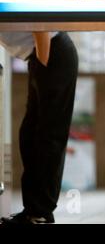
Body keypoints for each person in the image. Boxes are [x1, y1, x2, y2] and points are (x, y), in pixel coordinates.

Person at [0, 31, 78, 224]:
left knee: (48, 135)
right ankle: (33, 209)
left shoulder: (13, 0)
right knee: (29, 135)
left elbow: (41, 27)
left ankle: (40, 212)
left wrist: (42, 68)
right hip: (40, 56)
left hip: (52, 52)